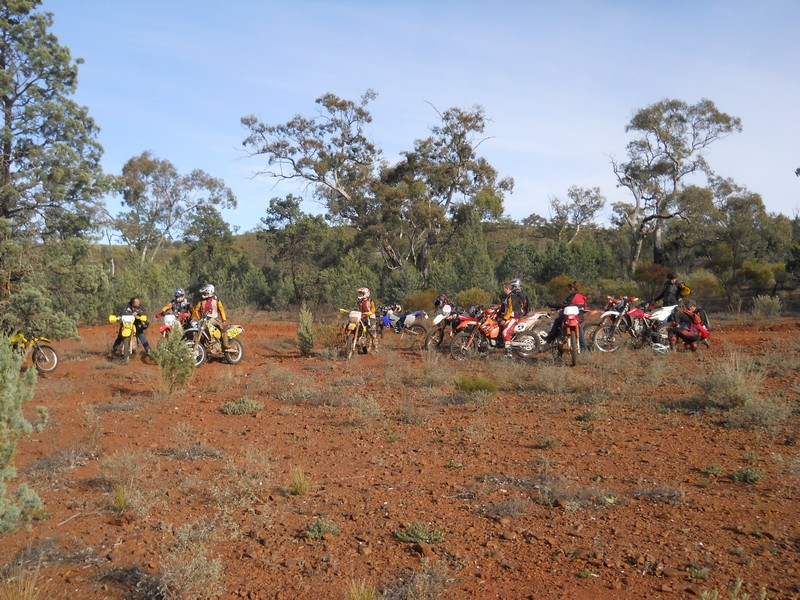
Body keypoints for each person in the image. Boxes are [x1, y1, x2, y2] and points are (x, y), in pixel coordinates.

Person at [543, 281, 590, 351]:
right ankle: (585, 351)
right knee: (581, 336)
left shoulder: (572, 297)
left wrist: (551, 304)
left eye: (568, 289)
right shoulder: (581, 296)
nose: (567, 291)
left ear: (572, 289)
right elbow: (584, 306)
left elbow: (564, 305)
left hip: (572, 317)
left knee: (557, 320)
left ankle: (550, 338)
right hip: (580, 318)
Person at [193, 283, 232, 352]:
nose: (204, 294)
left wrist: (224, 320)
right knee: (195, 327)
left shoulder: (216, 299)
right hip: (204, 320)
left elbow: (221, 309)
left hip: (213, 319)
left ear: (210, 292)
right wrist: (199, 318)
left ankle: (225, 344)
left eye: (206, 293)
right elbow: (196, 310)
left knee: (223, 326)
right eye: (204, 293)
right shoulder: (201, 301)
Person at [497, 283, 524, 356]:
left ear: (507, 289)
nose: (503, 290)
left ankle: (509, 353)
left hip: (513, 317)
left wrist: (505, 319)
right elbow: (504, 308)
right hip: (509, 317)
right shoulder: (507, 297)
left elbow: (510, 309)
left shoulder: (512, 297)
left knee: (505, 332)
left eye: (504, 288)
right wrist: (497, 315)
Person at [356, 287, 378, 351]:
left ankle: (375, 346)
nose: (360, 295)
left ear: (366, 294)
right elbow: (357, 308)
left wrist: (371, 312)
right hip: (362, 315)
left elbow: (373, 308)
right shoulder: (359, 301)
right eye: (359, 293)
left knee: (372, 330)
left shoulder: (370, 300)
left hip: (370, 315)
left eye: (361, 293)